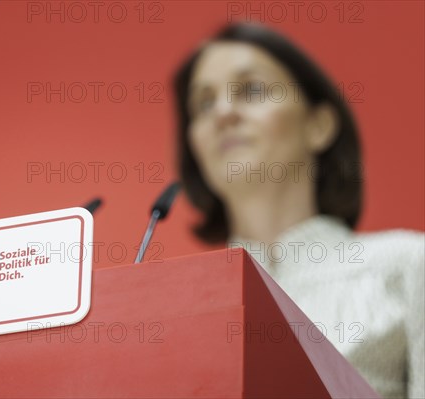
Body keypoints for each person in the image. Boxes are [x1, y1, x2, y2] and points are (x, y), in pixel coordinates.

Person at [173, 22, 424, 398]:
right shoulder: (176, 315)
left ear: (318, 125)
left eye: (252, 90)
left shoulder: (408, 265)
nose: (223, 112)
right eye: (204, 103)